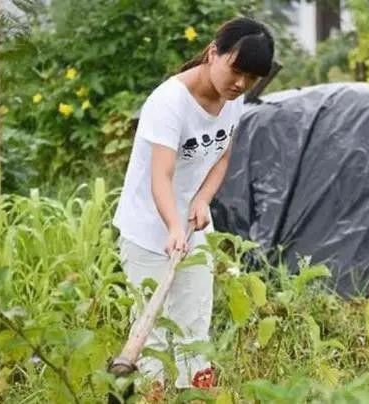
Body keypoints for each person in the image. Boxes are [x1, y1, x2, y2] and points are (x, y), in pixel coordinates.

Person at [112, 17, 274, 391]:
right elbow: (161, 177)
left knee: (193, 324)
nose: (241, 84)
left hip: (192, 226)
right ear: (213, 52)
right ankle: (154, 396)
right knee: (152, 330)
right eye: (237, 71)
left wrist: (202, 199)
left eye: (252, 78)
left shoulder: (234, 99)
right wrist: (172, 225)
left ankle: (193, 396)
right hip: (149, 230)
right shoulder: (169, 102)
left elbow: (221, 157)